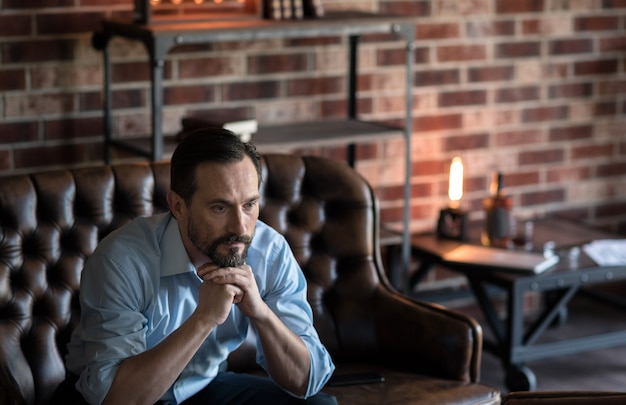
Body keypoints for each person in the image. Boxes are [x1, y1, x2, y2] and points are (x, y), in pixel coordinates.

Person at [55, 129, 337, 405]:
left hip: (200, 386)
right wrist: (204, 319)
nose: (240, 227)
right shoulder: (121, 261)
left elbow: (306, 381)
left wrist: (260, 313)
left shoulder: (269, 252)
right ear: (178, 206)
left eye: (249, 204)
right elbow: (118, 398)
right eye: (220, 208)